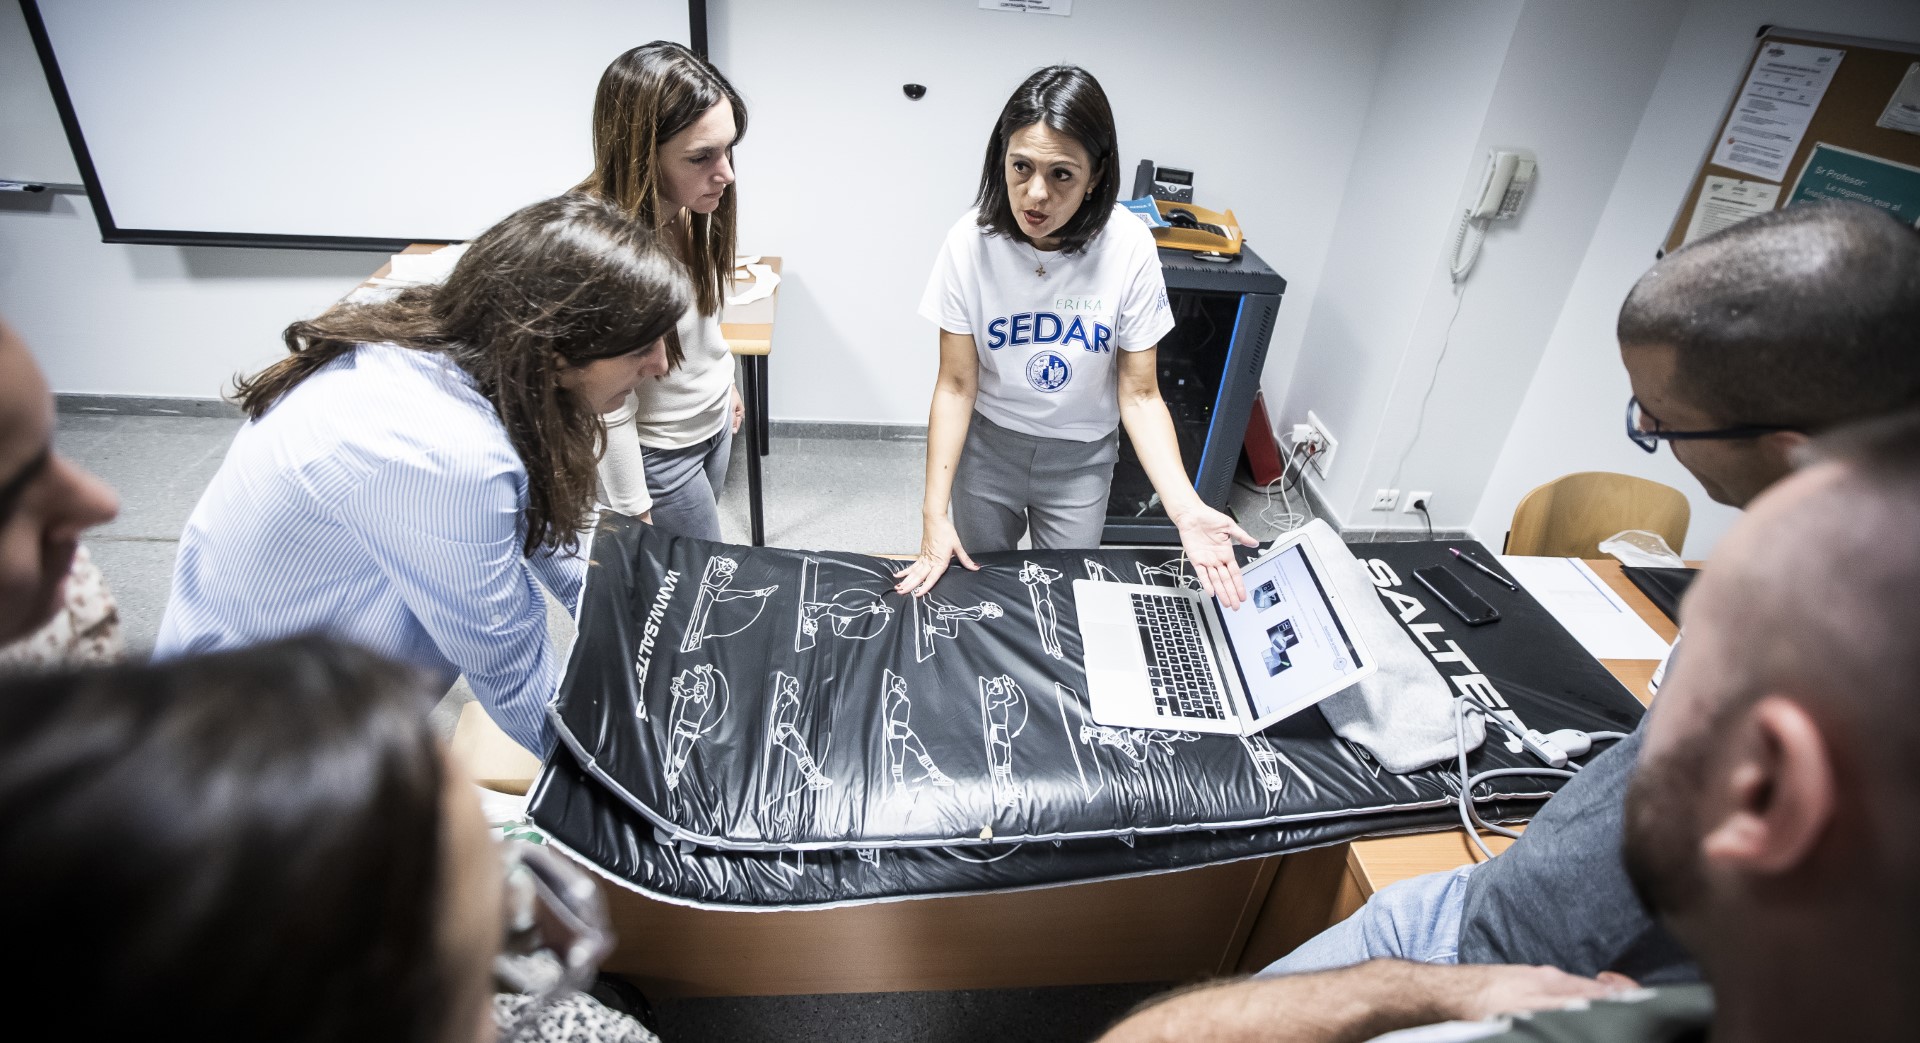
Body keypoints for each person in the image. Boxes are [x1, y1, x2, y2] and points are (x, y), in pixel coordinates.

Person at [1099, 408, 1920, 1042]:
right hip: (1472, 910)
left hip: (1483, 969)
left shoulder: (1566, 1020)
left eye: (1698, 650)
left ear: (1771, 785)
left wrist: (1399, 992)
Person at [1266, 200, 1920, 984]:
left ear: (1791, 451)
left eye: (1661, 422)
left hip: (1516, 968)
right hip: (1502, 907)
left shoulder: (1828, 653)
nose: (1646, 427)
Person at [155, 195, 691, 753]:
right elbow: (509, 664)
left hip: (294, 677)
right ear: (557, 353)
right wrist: (614, 786)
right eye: (641, 347)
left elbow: (558, 533)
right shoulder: (446, 453)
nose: (660, 365)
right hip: (253, 738)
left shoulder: (480, 345)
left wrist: (659, 619)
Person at [894, 66, 1255, 606]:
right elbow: (955, 386)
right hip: (989, 449)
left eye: (1062, 174)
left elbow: (1141, 394)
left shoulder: (1128, 246)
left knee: (1067, 599)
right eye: (1021, 167)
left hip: (1081, 461)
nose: (1035, 194)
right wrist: (932, 514)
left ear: (1096, 175)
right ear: (1001, 157)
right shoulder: (969, 242)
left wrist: (1184, 508)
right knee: (982, 592)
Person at [577, 41, 749, 541]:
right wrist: (634, 509)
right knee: (694, 578)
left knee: (699, 565)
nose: (726, 173)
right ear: (641, 155)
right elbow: (607, 403)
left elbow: (701, 318)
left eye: (728, 148)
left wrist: (723, 381)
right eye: (701, 157)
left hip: (712, 422)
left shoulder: (688, 203)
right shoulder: (603, 251)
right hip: (661, 450)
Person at [0, 319, 120, 651]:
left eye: (49, 448)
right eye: (10, 498)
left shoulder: (76, 593)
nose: (105, 504)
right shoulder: (75, 604)